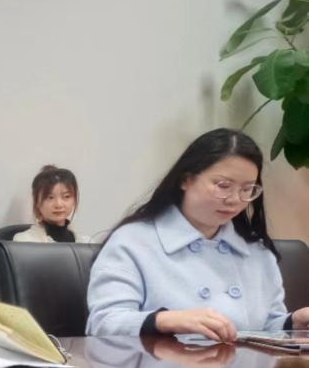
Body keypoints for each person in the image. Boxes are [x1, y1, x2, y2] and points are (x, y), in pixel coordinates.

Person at [86, 128, 309, 339]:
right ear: (186, 179)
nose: (235, 199)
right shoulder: (133, 241)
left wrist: (292, 323)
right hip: (161, 366)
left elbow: (267, 327)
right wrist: (165, 320)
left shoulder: (257, 251)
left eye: (247, 189)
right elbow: (103, 323)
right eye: (223, 186)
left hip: (244, 367)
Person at [13, 165, 90, 243]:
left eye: (66, 196)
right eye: (50, 197)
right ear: (36, 201)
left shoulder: (87, 243)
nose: (58, 205)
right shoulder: (24, 241)